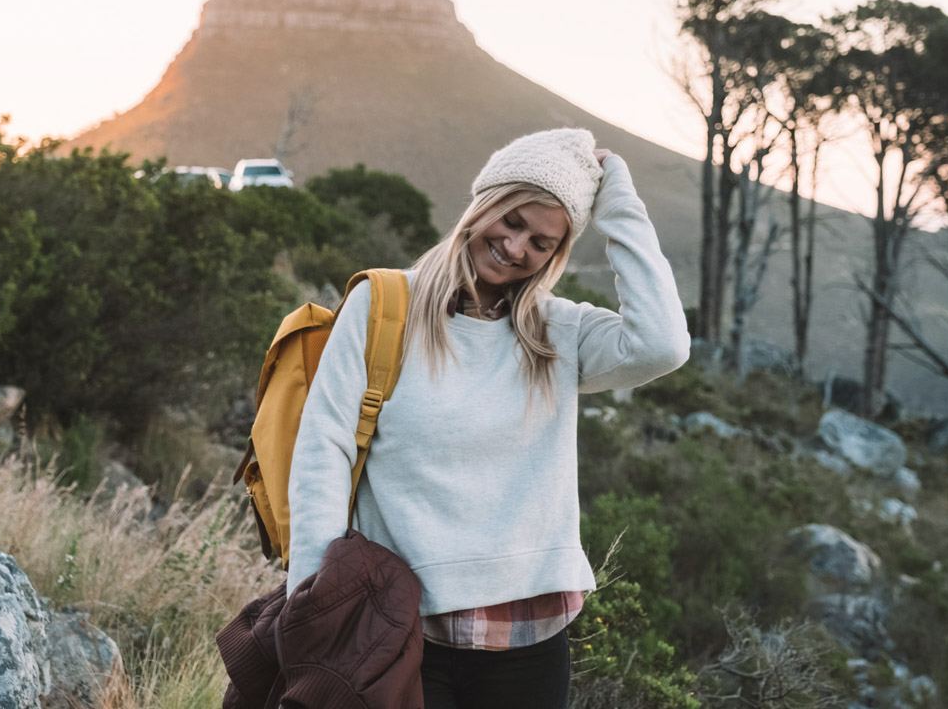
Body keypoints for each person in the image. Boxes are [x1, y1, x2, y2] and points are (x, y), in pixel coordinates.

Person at [287, 127, 691, 709]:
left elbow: (663, 345)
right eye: (512, 220)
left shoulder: (559, 333)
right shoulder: (382, 307)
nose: (517, 247)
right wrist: (314, 597)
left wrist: (618, 203)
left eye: (542, 241)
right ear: (485, 205)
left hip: (531, 637)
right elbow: (325, 448)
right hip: (402, 630)